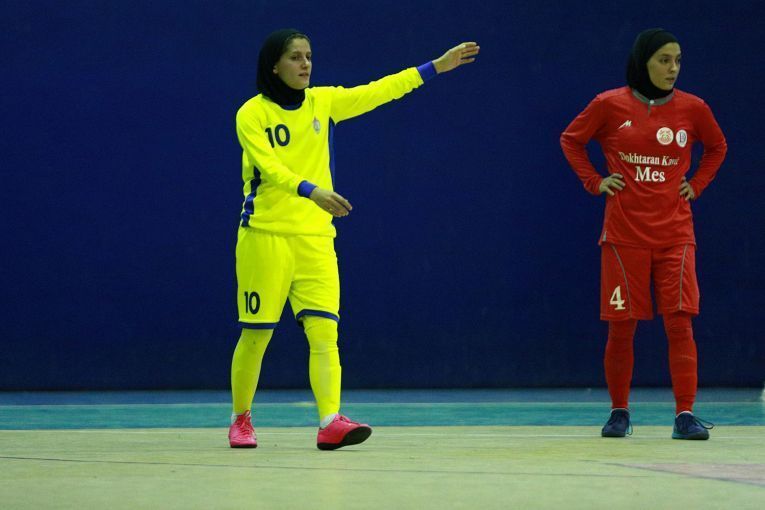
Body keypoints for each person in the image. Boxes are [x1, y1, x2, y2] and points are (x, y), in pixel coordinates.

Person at [229, 29, 480, 450]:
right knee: (257, 334)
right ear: (274, 65)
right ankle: (241, 418)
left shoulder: (323, 102)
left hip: (315, 238)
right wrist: (312, 191)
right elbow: (270, 168)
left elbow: (378, 91)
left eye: (309, 56)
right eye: (295, 57)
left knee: (324, 332)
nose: (305, 64)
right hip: (265, 235)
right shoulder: (251, 114)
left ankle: (330, 420)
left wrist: (436, 67)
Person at [560, 28, 726, 440]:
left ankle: (685, 415)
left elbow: (718, 147)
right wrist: (595, 181)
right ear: (643, 62)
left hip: (675, 234)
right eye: (664, 60)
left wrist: (697, 184)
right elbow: (571, 140)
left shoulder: (694, 108)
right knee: (622, 328)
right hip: (624, 236)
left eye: (678, 60)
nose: (673, 68)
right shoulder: (609, 104)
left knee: (680, 325)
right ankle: (619, 413)